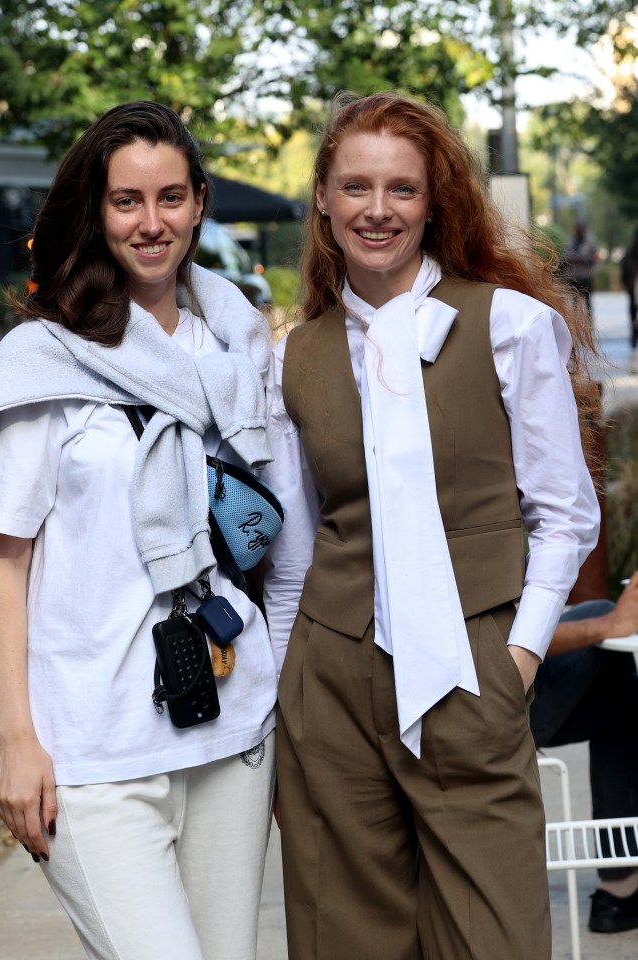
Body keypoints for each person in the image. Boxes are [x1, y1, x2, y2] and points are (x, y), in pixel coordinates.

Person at [261, 91, 600, 960]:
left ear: (433, 201)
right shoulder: (293, 355)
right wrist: (284, 695)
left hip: (470, 663)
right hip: (330, 684)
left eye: (402, 189)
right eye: (357, 187)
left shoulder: (511, 326)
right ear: (326, 204)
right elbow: (297, 547)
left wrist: (517, 656)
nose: (378, 210)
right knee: (347, 941)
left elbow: (564, 516)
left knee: (498, 938)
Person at [0, 101, 277, 960]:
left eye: (171, 197)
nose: (151, 221)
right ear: (96, 211)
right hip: (93, 752)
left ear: (200, 203)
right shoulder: (46, 359)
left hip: (231, 729)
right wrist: (16, 741)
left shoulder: (233, 348)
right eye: (127, 201)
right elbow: (5, 568)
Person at [532, 572, 638, 934]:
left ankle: (619, 889)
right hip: (483, 700)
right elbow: (506, 633)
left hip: (483, 683)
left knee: (620, 699)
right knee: (604, 617)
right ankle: (619, 888)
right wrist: (610, 624)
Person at [564, 221, 598, 318]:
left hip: (586, 277)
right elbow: (565, 256)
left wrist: (584, 261)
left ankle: (590, 322)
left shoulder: (590, 242)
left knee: (587, 301)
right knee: (574, 303)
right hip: (573, 277)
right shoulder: (570, 241)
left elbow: (595, 259)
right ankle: (574, 322)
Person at [620, 228, 638, 371]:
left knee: (633, 324)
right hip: (633, 293)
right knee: (633, 324)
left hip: (633, 293)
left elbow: (623, 272)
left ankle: (633, 355)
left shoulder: (630, 253)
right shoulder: (630, 253)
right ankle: (632, 355)